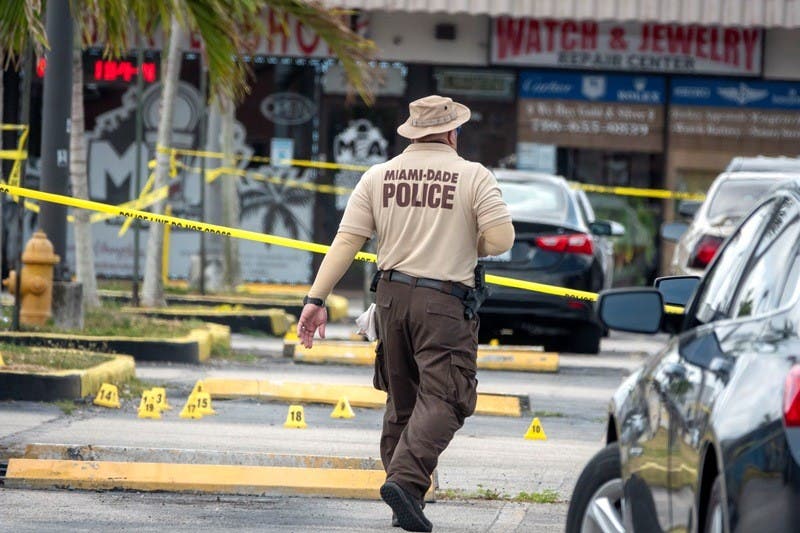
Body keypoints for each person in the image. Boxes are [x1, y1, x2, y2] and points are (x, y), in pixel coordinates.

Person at [297, 95, 514, 532]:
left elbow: (346, 242)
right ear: (453, 133)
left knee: (402, 398)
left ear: (412, 133)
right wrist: (467, 242)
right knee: (448, 395)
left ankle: (405, 501)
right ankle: (405, 479)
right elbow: (502, 239)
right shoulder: (474, 176)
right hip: (444, 303)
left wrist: (315, 301)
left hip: (391, 299)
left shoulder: (378, 176)